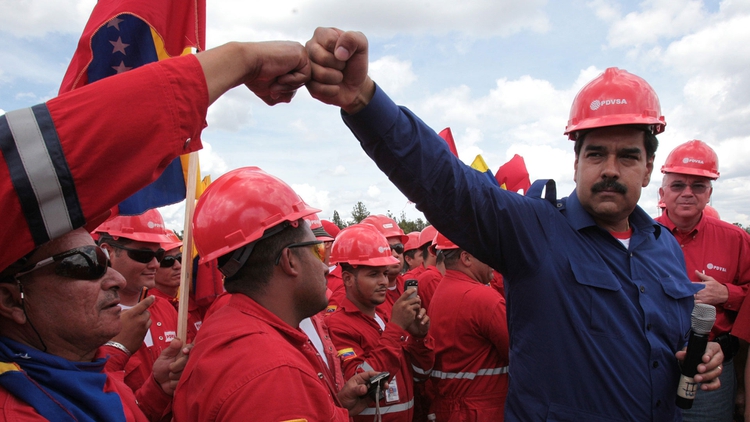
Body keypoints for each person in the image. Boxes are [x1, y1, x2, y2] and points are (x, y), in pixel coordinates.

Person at [305, 27, 723, 421]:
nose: (610, 169)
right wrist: (364, 101)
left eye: (628, 156)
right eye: (596, 154)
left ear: (649, 168)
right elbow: (445, 182)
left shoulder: (664, 247)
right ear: (576, 163)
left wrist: (696, 354)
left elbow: (672, 340)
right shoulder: (534, 231)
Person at [0, 37, 313, 420]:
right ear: (10, 300)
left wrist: (153, 392)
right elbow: (54, 161)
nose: (113, 277)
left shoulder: (81, 376)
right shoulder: (20, 408)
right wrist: (238, 61)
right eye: (85, 263)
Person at [172, 167, 380, 421]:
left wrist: (334, 409)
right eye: (318, 252)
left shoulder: (229, 329)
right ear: (289, 260)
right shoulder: (275, 375)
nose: (326, 267)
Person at [655, 140, 750, 422]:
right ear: (662, 192)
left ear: (709, 194)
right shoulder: (640, 236)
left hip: (710, 371)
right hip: (652, 365)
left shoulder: (736, 239)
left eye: (698, 186)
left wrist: (726, 294)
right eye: (677, 185)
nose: (687, 193)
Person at [326, 224, 435, 421]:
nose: (384, 281)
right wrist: (396, 328)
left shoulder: (385, 317)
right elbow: (360, 385)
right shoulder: (337, 325)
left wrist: (419, 339)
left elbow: (421, 375)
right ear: (348, 279)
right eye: (373, 274)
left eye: (384, 273)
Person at [428, 232, 509, 421]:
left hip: (453, 408)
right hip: (481, 410)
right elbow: (520, 354)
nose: (493, 261)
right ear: (466, 258)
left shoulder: (442, 291)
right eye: (486, 253)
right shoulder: (484, 299)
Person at [150, 230, 203, 343]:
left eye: (180, 258)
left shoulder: (193, 303)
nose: (178, 266)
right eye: (167, 261)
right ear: (151, 265)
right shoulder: (147, 308)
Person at [361, 214, 410, 318]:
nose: (396, 254)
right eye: (387, 248)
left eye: (399, 247)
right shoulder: (363, 297)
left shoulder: (406, 286)